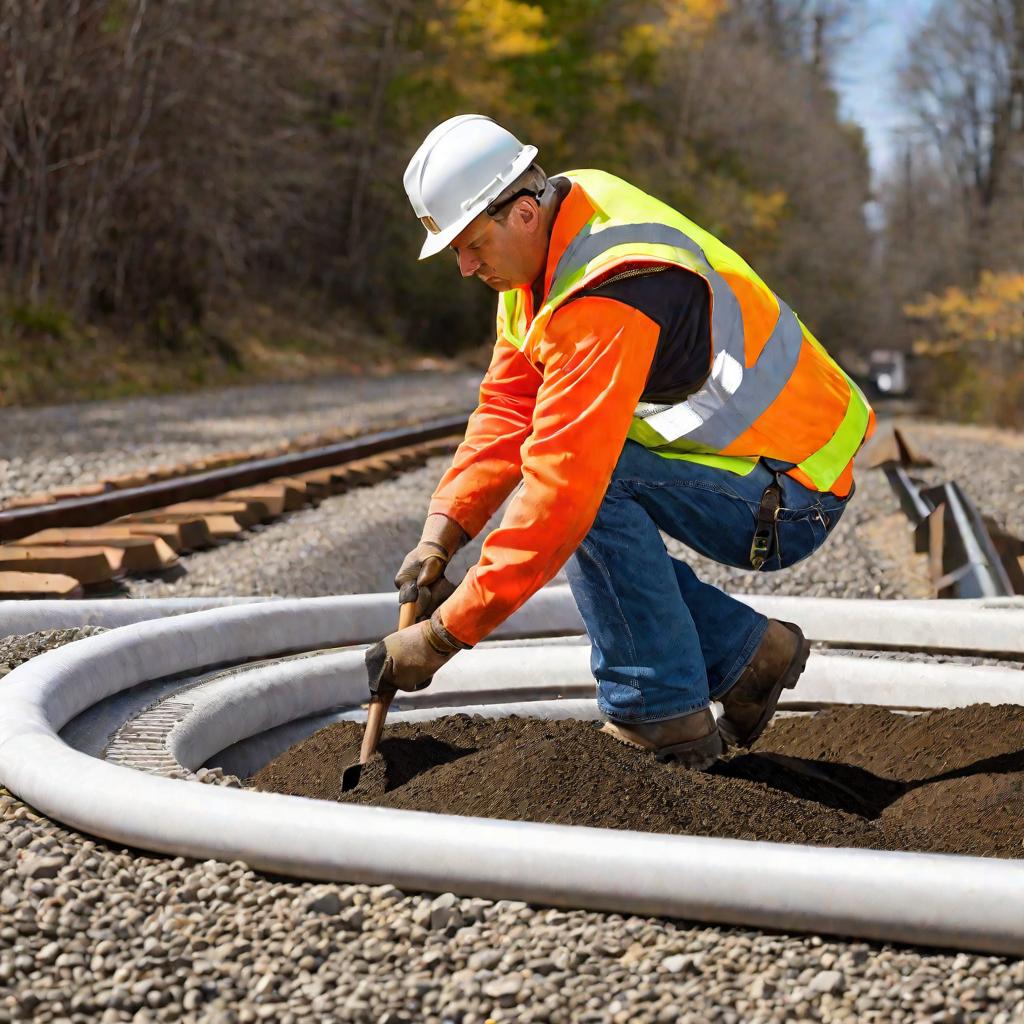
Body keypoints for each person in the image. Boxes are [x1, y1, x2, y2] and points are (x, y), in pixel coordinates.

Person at [364, 114, 874, 769]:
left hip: (791, 492)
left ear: (522, 212)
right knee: (585, 488)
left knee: (589, 490)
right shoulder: (547, 251)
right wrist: (445, 529)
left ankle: (661, 714)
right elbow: (508, 406)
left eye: (470, 243)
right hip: (754, 471)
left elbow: (561, 487)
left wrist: (443, 636)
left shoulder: (609, 288)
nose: (464, 267)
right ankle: (750, 656)